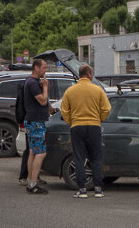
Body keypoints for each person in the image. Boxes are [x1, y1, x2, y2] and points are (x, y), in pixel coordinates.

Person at [59, 63, 110, 198]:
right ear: (89, 74)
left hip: (77, 127)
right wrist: (99, 119)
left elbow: (64, 111)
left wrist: (72, 121)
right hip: (94, 126)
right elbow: (106, 109)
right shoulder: (98, 90)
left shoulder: (70, 91)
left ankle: (82, 190)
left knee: (79, 158)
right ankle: (98, 189)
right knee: (96, 157)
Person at [23, 58, 52, 195]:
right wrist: (45, 87)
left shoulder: (31, 82)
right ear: (36, 68)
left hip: (32, 120)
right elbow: (42, 101)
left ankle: (30, 180)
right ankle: (33, 184)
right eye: (44, 67)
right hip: (36, 122)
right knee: (41, 152)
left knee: (33, 152)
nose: (45, 70)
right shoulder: (33, 83)